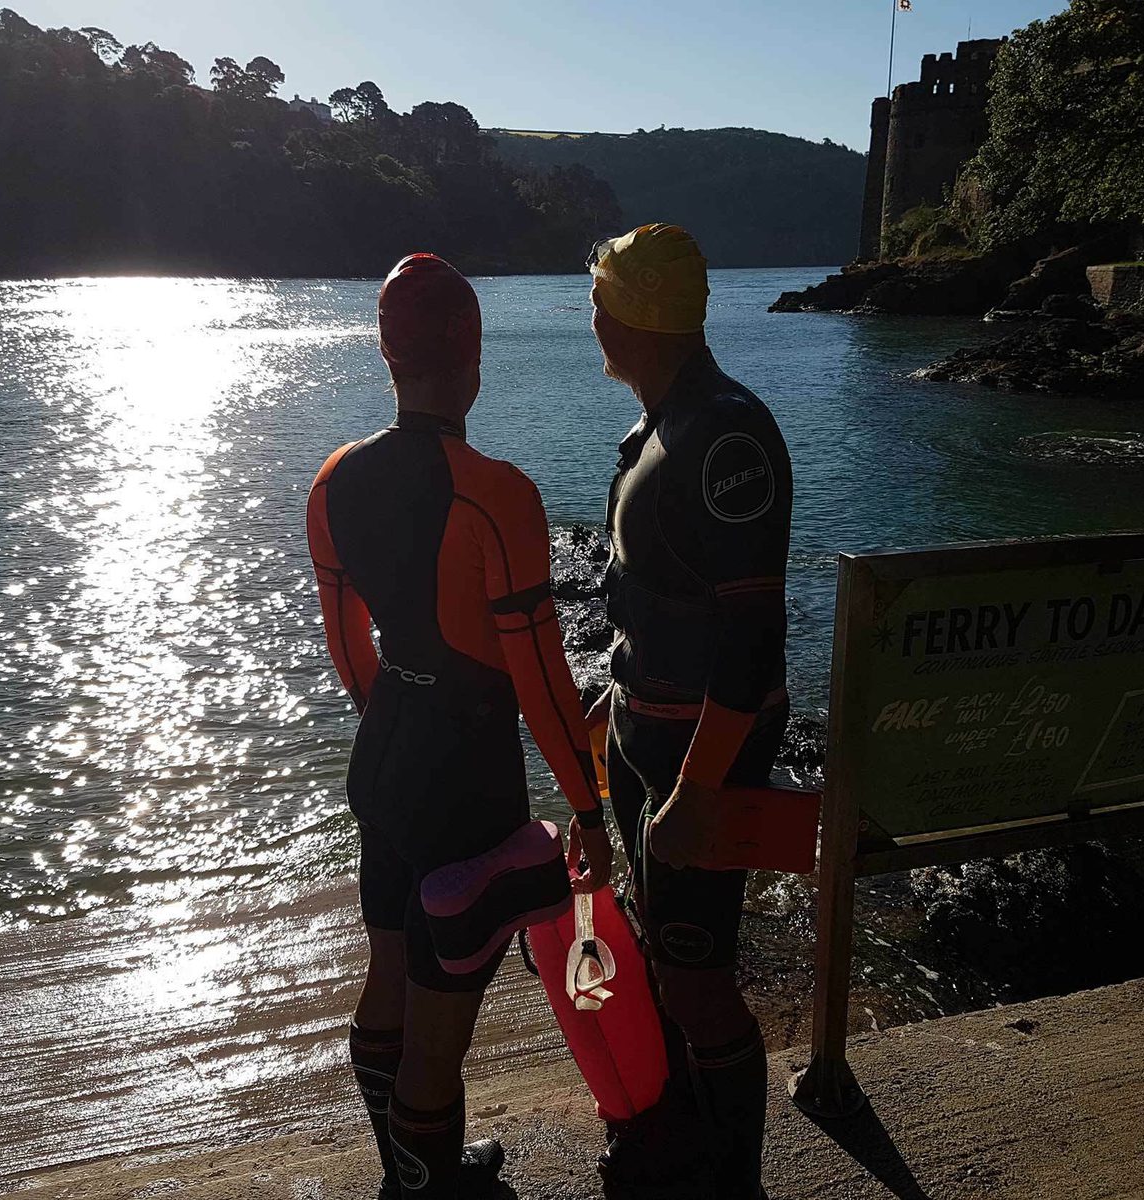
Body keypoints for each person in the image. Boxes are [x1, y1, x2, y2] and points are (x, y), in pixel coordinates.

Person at [307, 253, 613, 1199]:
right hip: (464, 778)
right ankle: (426, 1183)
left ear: (388, 356)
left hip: (388, 750)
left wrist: (394, 724)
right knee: (444, 1017)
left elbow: (349, 647)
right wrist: (590, 807)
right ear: (472, 356)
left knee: (390, 964)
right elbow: (543, 681)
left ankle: (407, 1165)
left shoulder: (332, 481)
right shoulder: (498, 493)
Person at [586, 224, 792, 1200]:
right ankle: (681, 1159)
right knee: (659, 955)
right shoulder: (665, 423)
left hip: (696, 767)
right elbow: (657, 595)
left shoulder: (725, 439)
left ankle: (735, 1185)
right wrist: (610, 698)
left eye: (600, 300)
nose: (590, 319)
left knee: (702, 982)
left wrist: (696, 794)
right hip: (647, 740)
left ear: (630, 317)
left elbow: (750, 653)